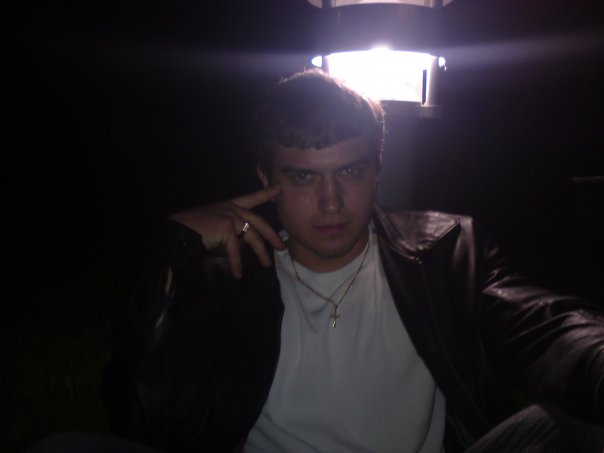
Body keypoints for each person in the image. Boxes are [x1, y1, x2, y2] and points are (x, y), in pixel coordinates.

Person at [101, 69, 604, 452]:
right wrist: (171, 256)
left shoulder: (443, 253)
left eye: (350, 171)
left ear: (378, 166)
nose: (331, 202)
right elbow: (148, 424)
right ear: (266, 180)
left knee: (569, 426)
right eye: (303, 177)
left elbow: (546, 326)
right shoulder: (228, 277)